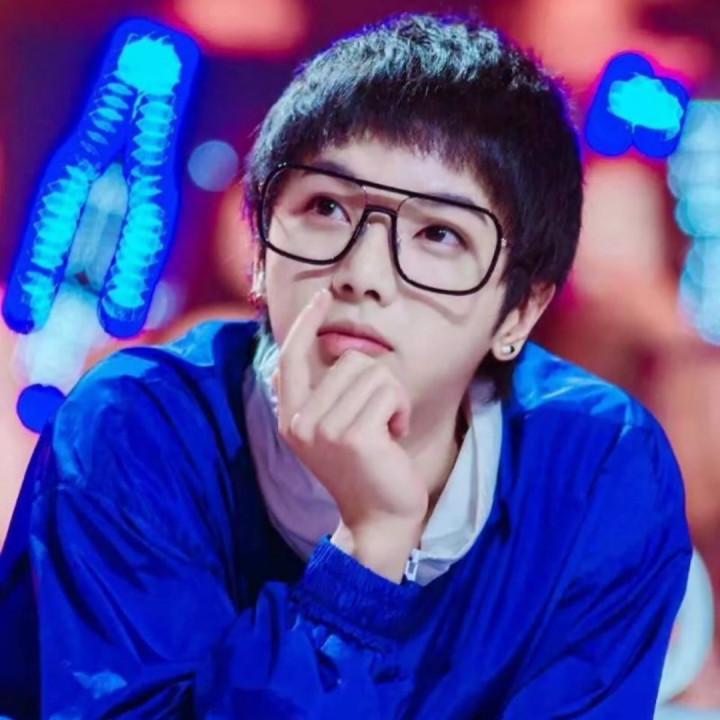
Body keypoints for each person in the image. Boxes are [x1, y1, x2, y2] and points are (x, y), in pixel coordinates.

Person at [0, 12, 691, 719]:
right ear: (259, 252)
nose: (364, 273)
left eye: (439, 234)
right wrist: (368, 550)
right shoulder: (134, 431)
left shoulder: (597, 471)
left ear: (519, 311)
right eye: (326, 207)